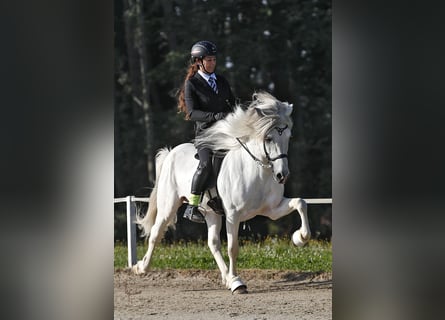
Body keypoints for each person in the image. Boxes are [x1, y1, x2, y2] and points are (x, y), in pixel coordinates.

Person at [177, 40, 235, 223]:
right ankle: (192, 206)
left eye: (214, 60)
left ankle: (220, 198)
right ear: (198, 61)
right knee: (205, 165)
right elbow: (192, 113)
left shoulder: (222, 81)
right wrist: (214, 116)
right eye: (208, 60)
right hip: (205, 134)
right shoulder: (192, 84)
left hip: (225, 132)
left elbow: (233, 104)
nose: (212, 63)